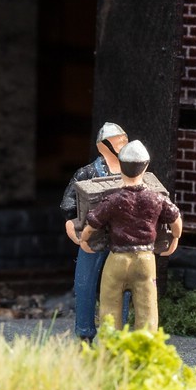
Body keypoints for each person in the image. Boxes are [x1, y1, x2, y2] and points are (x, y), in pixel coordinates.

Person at [79, 140, 182, 332]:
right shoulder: (157, 198)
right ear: (146, 166)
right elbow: (176, 220)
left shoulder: (112, 199)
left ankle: (110, 345)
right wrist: (175, 239)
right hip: (145, 260)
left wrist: (84, 239)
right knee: (147, 309)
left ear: (121, 166)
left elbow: (92, 224)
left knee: (110, 308)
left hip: (117, 258)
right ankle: (146, 345)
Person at [60, 122, 128, 340]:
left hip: (122, 238)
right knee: (85, 283)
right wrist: (72, 226)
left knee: (124, 285)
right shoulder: (87, 173)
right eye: (118, 141)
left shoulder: (132, 170)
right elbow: (69, 203)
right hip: (92, 236)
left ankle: (120, 332)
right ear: (103, 145)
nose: (123, 145)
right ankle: (84, 332)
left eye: (124, 140)